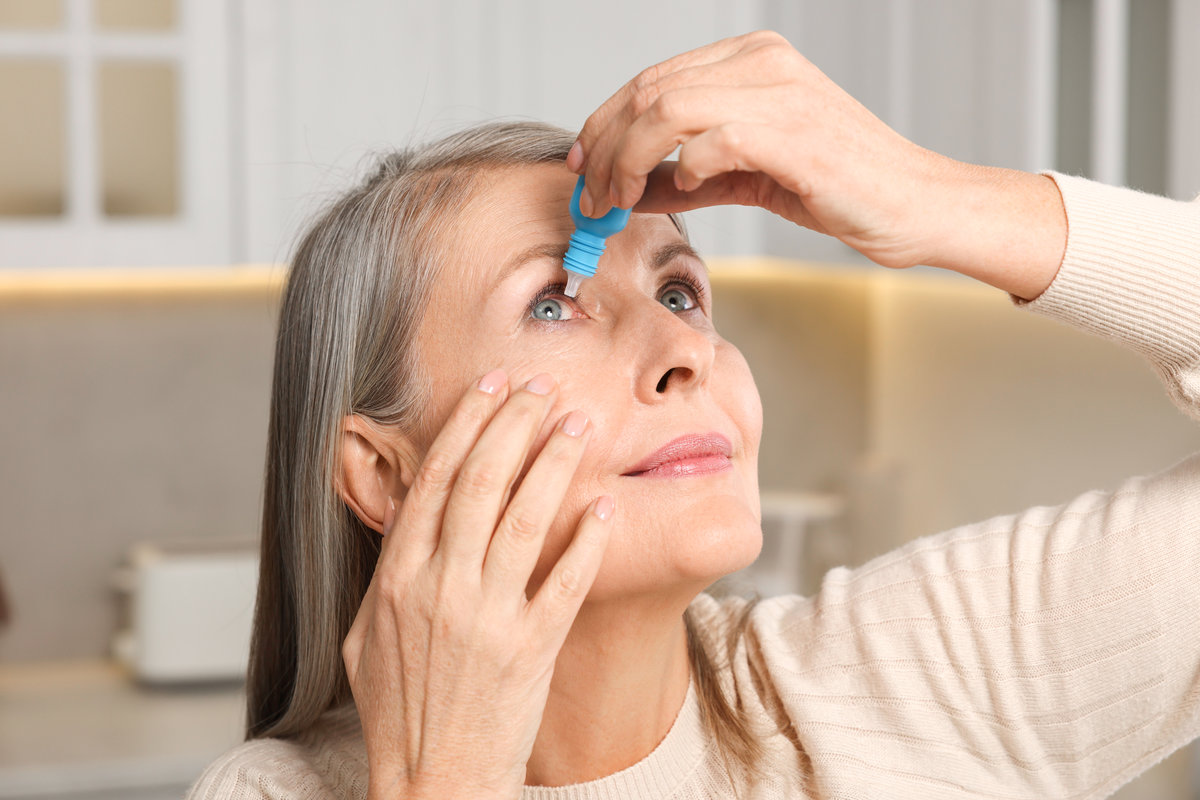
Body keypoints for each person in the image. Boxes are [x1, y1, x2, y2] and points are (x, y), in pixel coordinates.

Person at [190, 31, 1200, 800]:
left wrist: (932, 197)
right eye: (554, 302)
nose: (686, 350)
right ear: (384, 472)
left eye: (679, 292)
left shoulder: (906, 679)